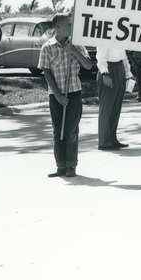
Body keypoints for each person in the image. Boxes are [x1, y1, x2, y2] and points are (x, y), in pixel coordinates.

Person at [38, 13, 93, 178]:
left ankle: (71, 165)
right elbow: (46, 73)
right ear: (57, 28)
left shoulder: (77, 44)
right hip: (56, 95)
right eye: (67, 25)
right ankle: (60, 165)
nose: (71, 27)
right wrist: (58, 95)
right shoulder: (47, 47)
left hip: (74, 92)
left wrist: (74, 51)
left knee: (71, 130)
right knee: (57, 131)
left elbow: (89, 66)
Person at [95, 44, 133, 150]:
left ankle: (112, 139)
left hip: (119, 68)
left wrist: (128, 73)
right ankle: (104, 142)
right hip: (108, 69)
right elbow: (100, 56)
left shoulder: (120, 36)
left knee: (116, 108)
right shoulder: (105, 34)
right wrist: (105, 73)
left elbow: (124, 56)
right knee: (106, 108)